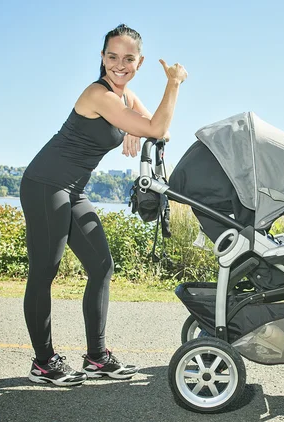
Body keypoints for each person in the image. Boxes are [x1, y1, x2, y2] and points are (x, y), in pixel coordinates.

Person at [20, 24, 188, 386]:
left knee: (101, 267)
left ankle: (96, 358)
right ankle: (43, 363)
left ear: (138, 62)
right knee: (44, 272)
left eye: (128, 58)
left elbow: (164, 129)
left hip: (73, 190)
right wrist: (173, 83)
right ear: (102, 58)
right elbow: (157, 128)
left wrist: (132, 127)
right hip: (44, 184)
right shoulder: (98, 95)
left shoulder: (125, 98)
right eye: (112, 56)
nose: (119, 64)